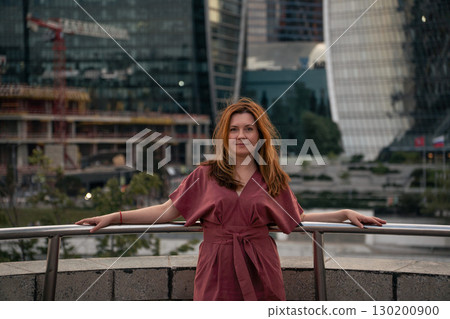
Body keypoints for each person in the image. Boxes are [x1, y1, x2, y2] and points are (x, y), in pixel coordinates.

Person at [76, 97, 386, 301]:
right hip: (216, 265)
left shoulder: (272, 178)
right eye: (234, 129)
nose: (241, 135)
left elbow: (297, 218)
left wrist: (344, 213)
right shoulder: (205, 174)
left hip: (261, 264)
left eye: (248, 129)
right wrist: (114, 218)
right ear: (225, 136)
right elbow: (168, 211)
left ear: (259, 136)